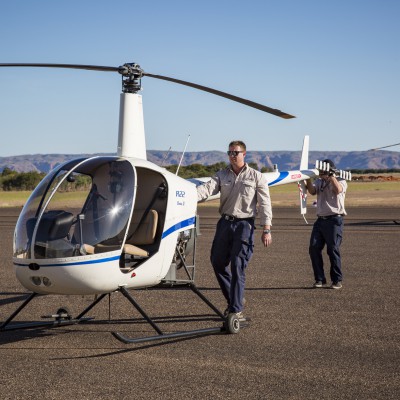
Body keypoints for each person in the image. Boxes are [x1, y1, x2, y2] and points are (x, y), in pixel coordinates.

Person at [197, 140, 272, 319]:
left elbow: (265, 203)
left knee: (238, 265)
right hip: (225, 223)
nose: (232, 156)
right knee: (217, 262)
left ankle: (235, 310)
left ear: (244, 154)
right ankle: (235, 299)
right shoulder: (221, 175)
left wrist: (266, 229)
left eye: (235, 153)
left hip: (244, 225)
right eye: (230, 152)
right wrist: (185, 196)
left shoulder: (256, 176)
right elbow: (205, 190)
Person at [305, 159, 347, 289]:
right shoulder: (319, 181)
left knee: (332, 249)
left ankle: (337, 280)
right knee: (314, 248)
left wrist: (331, 176)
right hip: (320, 220)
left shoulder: (341, 180)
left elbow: (338, 190)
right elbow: (312, 191)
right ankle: (319, 279)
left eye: (324, 171)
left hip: (334, 220)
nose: (321, 173)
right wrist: (307, 179)